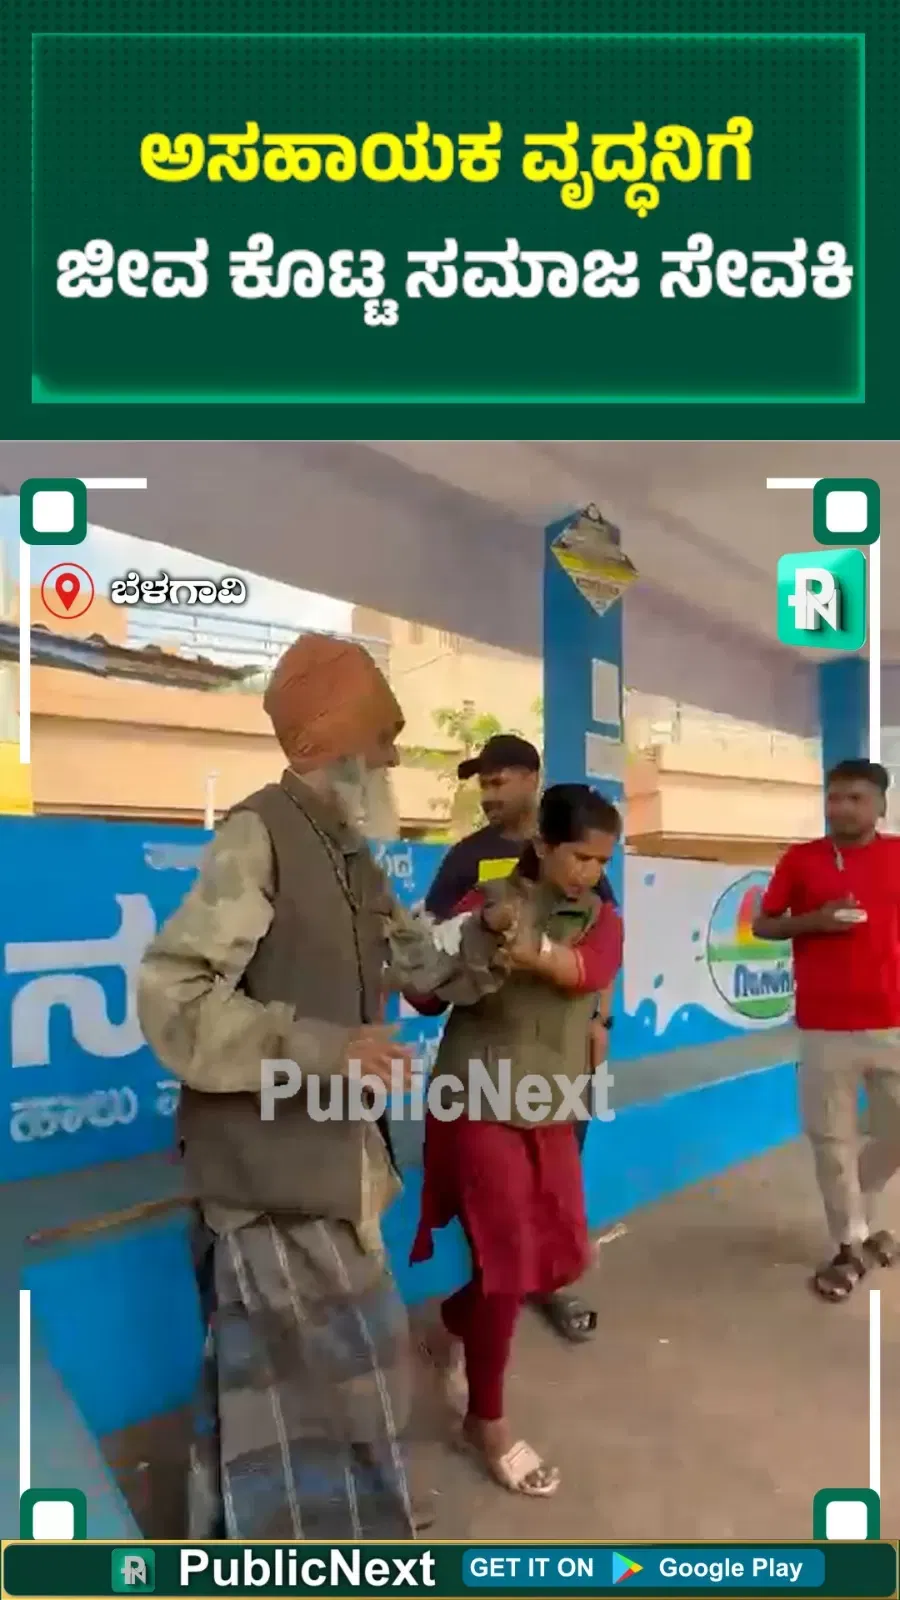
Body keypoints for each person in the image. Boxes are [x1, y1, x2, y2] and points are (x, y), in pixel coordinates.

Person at [137, 633, 509, 1539]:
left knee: (287, 1386)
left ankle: (267, 1539)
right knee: (328, 1384)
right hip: (268, 1173)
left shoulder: (352, 860)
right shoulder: (259, 834)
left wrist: (490, 937)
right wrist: (320, 1049)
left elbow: (424, 971)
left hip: (333, 1162)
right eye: (384, 736)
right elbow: (174, 998)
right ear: (325, 739)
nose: (393, 759)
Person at [409, 784, 624, 1496]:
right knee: (506, 1263)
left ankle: (451, 1321)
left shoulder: (601, 918)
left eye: (602, 861)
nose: (591, 872)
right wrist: (462, 936)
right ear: (542, 846)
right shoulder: (487, 900)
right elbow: (424, 996)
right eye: (581, 857)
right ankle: (487, 1420)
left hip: (550, 1104)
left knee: (562, 1255)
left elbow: (584, 972)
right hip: (476, 1099)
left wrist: (524, 944)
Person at [422, 734, 618, 1343]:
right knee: (501, 1217)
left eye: (498, 780)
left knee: (551, 1206)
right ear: (545, 850)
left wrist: (600, 1021)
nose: (488, 794)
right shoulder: (467, 862)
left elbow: (600, 950)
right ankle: (492, 1299)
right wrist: (481, 934)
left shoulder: (585, 863)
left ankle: (531, 1285)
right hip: (488, 1073)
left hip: (561, 1064)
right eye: (482, 784)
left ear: (532, 778)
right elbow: (432, 957)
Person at [752, 758, 900, 1302]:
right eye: (834, 797)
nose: (841, 808)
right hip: (824, 1027)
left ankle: (858, 1200)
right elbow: (764, 923)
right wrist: (815, 920)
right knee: (831, 1141)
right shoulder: (802, 859)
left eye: (855, 798)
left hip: (894, 1021)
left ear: (880, 805)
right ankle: (850, 1241)